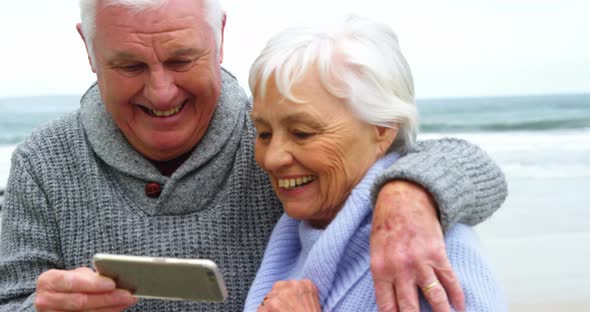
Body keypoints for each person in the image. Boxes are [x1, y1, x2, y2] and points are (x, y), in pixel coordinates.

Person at [0, 0, 507, 311]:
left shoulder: (270, 136)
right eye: (129, 65)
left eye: (181, 59)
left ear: (219, 38)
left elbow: (446, 157)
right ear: (89, 49)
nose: (160, 92)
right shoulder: (43, 163)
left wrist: (410, 190)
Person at [243, 16, 507, 312]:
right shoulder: (299, 233)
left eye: (302, 133)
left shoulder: (423, 250)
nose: (272, 157)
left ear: (382, 128)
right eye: (263, 133)